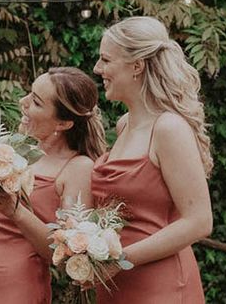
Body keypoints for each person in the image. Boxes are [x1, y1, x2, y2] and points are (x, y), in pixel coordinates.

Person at [0, 66, 105, 304]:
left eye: (36, 102)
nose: (23, 102)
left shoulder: (77, 167)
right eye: (29, 94)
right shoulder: (10, 150)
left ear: (63, 124)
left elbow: (61, 253)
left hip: (12, 290)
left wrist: (15, 210)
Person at [91, 16, 212, 303]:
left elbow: (199, 221)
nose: (98, 69)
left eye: (106, 60)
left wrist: (119, 260)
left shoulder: (168, 128)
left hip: (160, 285)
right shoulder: (124, 124)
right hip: (116, 285)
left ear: (137, 66)